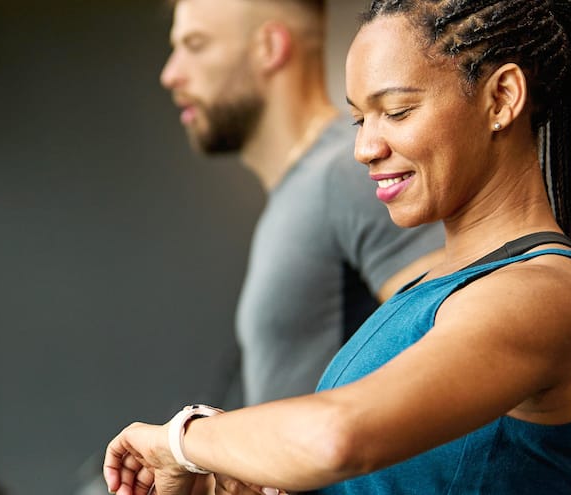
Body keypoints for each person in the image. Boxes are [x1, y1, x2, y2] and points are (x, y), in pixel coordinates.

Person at [108, 0, 571, 493]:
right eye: (358, 118)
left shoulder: (542, 292)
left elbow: (337, 437)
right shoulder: (433, 287)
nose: (365, 148)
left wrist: (183, 439)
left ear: (502, 98)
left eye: (396, 111)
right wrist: (224, 485)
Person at [159, 0, 444, 406]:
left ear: (270, 47)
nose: (170, 75)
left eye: (196, 44)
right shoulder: (305, 188)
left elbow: (450, 357)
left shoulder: (352, 173)